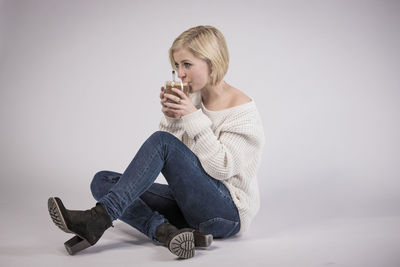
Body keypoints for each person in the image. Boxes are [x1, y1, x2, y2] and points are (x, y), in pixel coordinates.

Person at [47, 25, 265, 259]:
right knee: (103, 181)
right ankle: (165, 232)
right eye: (177, 66)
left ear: (212, 62)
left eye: (187, 65)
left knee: (160, 142)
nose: (180, 74)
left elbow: (220, 169)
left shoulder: (242, 112)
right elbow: (175, 160)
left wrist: (190, 116)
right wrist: (172, 118)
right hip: (190, 205)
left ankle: (97, 219)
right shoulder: (194, 98)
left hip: (227, 214)